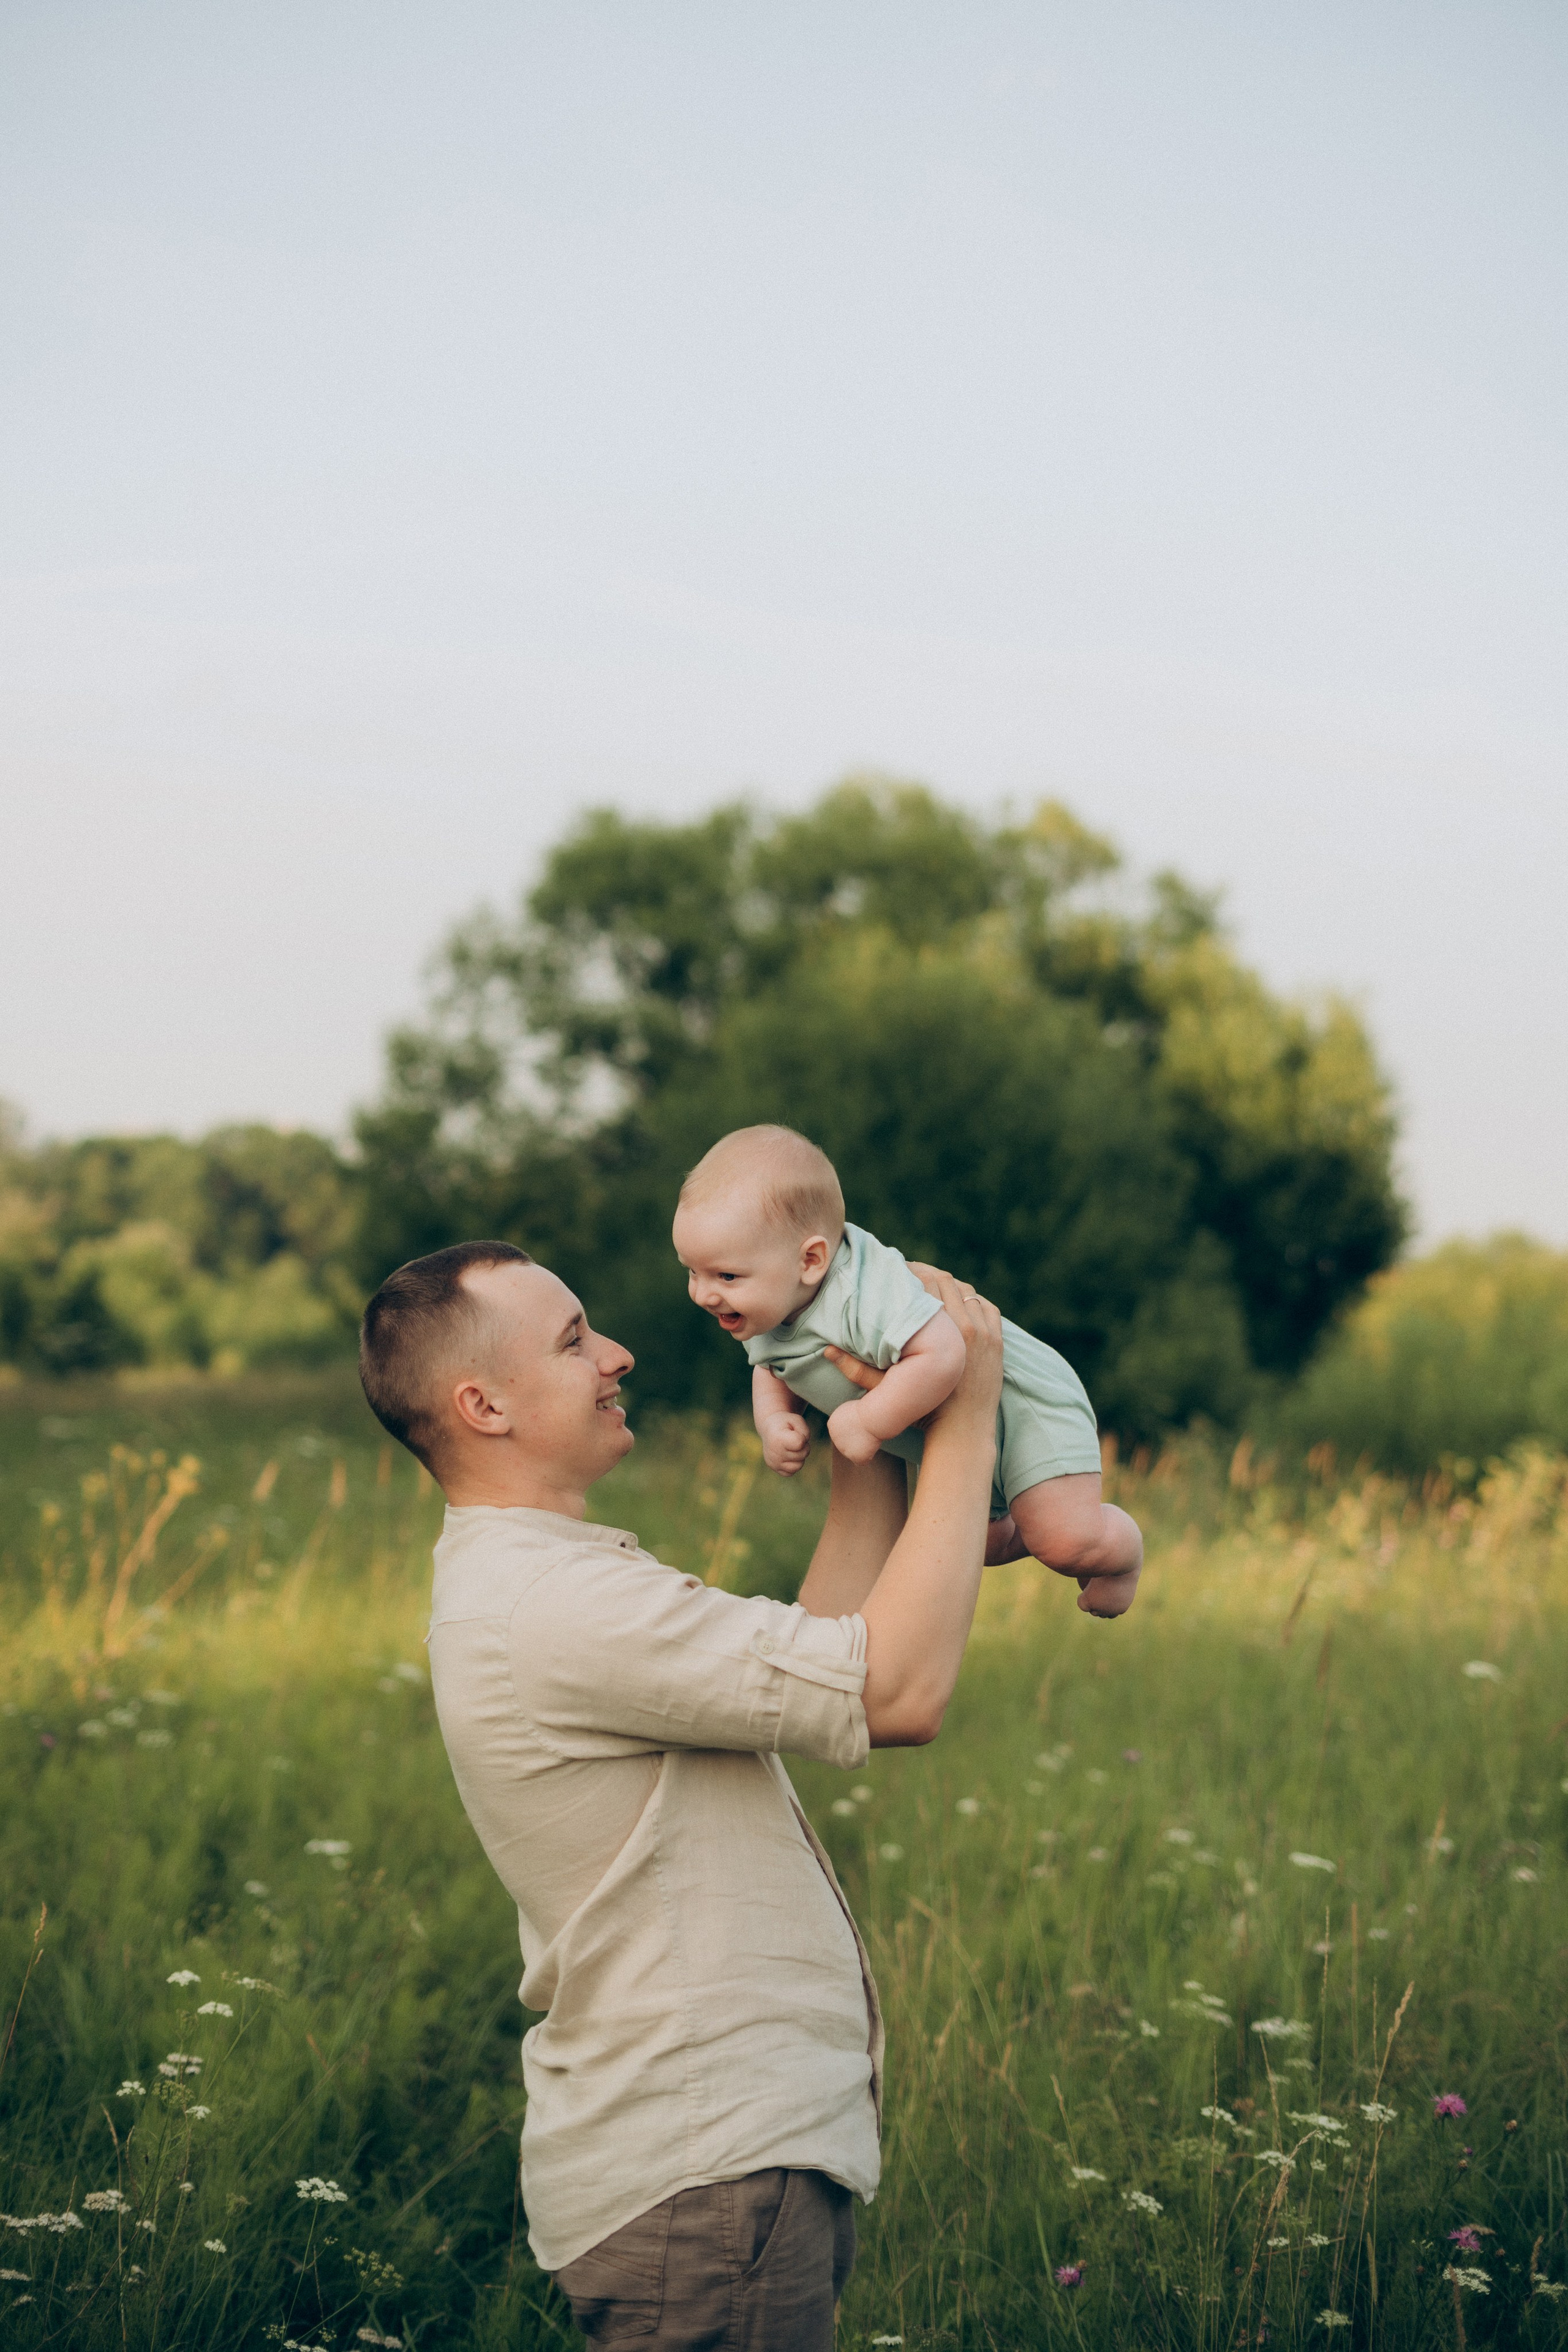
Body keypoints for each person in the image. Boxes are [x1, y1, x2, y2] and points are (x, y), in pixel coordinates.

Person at [357, 1236, 1004, 2351]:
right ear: (484, 1405)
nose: (618, 1354)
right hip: (703, 2173)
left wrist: (865, 1452)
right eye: (573, 1341)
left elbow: (824, 1667)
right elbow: (895, 1692)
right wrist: (970, 1400)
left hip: (725, 2162)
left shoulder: (551, 1580)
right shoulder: (550, 1605)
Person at [673, 1124, 1144, 1618]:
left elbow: (943, 1352)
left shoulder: (862, 1293)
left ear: (810, 1260)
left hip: (1020, 1403)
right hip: (963, 1436)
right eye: (692, 1271)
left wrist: (869, 1419)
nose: (704, 1294)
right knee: (963, 1547)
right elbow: (770, 1366)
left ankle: (1121, 1553)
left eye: (726, 1276)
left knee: (1065, 1542)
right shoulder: (770, 1310)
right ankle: (1031, 1518)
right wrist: (773, 1420)